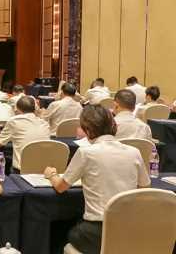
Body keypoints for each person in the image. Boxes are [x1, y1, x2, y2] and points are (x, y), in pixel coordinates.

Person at [44, 105, 150, 254]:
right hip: (129, 229)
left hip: (97, 231)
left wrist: (52, 175)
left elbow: (61, 187)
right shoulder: (134, 152)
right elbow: (145, 187)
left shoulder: (86, 152)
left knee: (59, 231)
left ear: (88, 130)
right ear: (113, 125)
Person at [0, 96, 51, 172]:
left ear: (17, 109)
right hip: (43, 170)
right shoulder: (45, 123)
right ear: (34, 109)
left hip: (21, 171)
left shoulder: (14, 121)